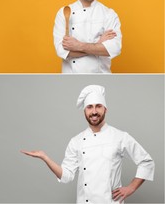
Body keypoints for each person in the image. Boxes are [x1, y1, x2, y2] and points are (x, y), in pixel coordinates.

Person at [21, 85, 154, 203]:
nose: (94, 111)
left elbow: (146, 162)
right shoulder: (76, 141)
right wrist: (45, 157)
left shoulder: (120, 137)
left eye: (98, 106)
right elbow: (66, 176)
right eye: (89, 107)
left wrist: (131, 188)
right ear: (84, 111)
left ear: (105, 109)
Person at [53, 0, 122, 73]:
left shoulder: (109, 14)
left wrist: (78, 46)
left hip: (101, 77)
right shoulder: (64, 12)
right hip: (71, 79)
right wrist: (98, 44)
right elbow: (62, 51)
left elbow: (114, 48)